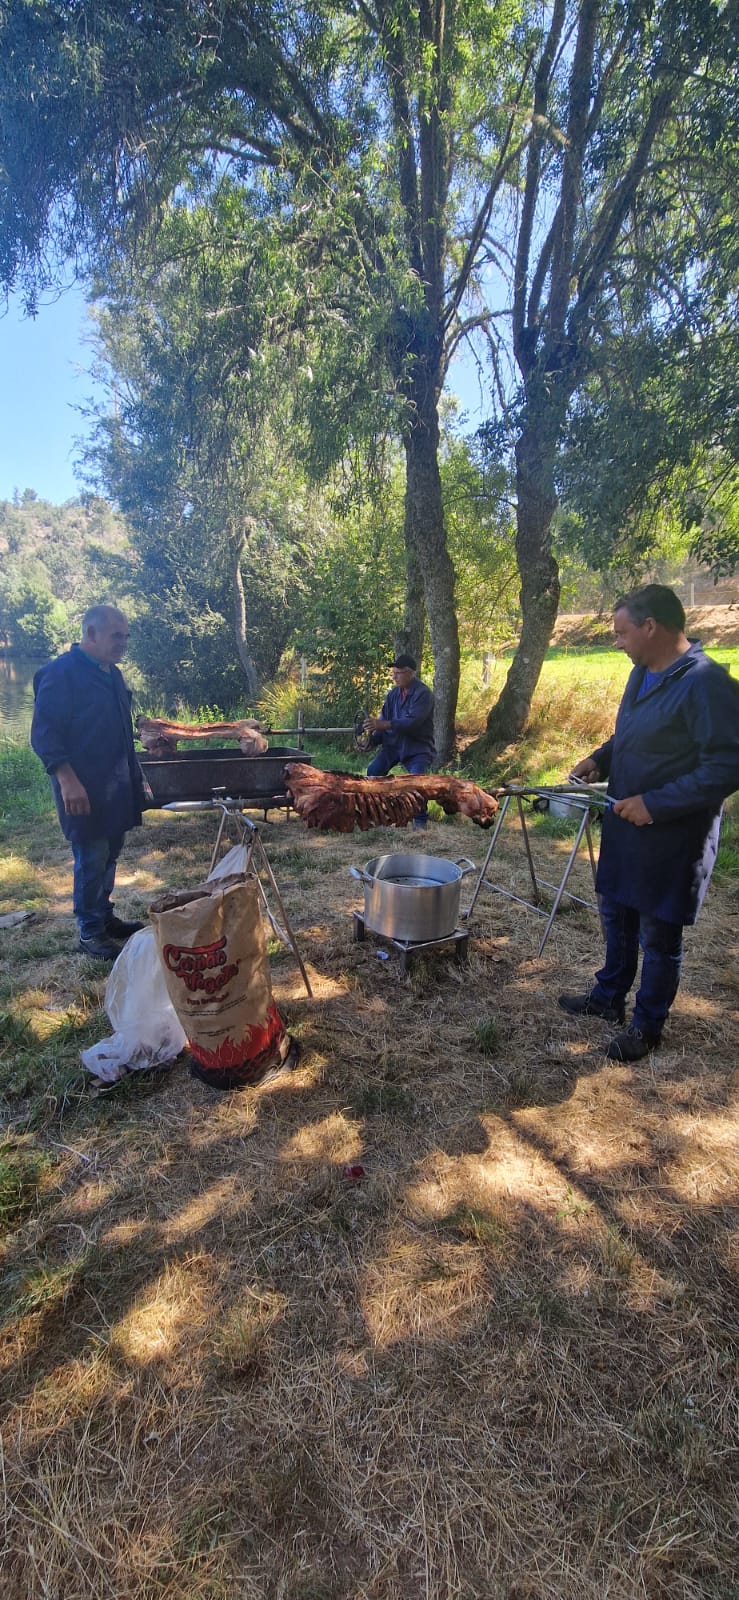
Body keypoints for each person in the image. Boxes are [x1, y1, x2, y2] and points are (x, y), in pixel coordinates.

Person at [558, 584, 739, 1061]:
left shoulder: (706, 683)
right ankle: (607, 999)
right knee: (615, 917)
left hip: (672, 839)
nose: (617, 642)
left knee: (658, 938)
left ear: (651, 626)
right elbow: (631, 735)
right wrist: (601, 758)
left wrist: (655, 804)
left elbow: (726, 766)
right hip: (624, 824)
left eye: (621, 632)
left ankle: (647, 1026)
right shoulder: (640, 675)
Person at [31, 604, 146, 959]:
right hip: (82, 787)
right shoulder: (59, 673)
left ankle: (105, 916)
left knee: (110, 851)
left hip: (115, 785)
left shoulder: (112, 674)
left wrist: (137, 777)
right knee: (91, 854)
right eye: (116, 636)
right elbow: (45, 735)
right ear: (91, 634)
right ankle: (90, 931)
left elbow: (122, 731)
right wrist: (67, 781)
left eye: (126, 636)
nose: (123, 643)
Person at [364, 653, 436, 830]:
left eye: (399, 673)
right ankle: (376, 813)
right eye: (393, 673)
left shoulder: (423, 694)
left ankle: (420, 822)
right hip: (393, 745)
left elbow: (412, 722)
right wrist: (371, 741)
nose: (394, 676)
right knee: (373, 771)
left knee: (417, 781)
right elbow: (383, 723)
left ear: (411, 673)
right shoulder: (393, 695)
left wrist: (383, 724)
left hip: (417, 747)